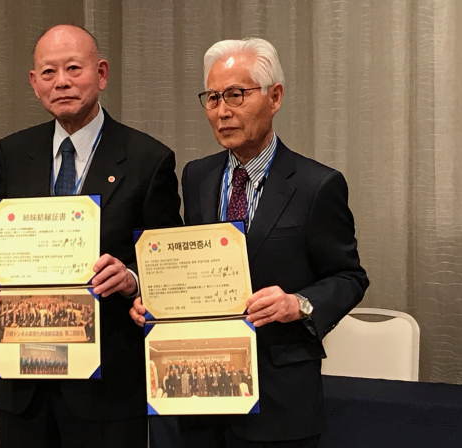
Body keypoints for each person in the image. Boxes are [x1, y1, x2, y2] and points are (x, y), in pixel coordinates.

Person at [131, 37, 369, 447]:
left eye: (236, 95)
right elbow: (193, 265)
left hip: (279, 399)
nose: (222, 111)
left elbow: (349, 277)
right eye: (212, 98)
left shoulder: (316, 185)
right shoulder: (197, 176)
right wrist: (154, 298)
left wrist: (298, 303)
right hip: (201, 393)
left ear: (274, 97)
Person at [0, 24, 182, 448]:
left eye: (74, 68)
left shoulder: (148, 159)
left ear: (101, 74)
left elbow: (168, 261)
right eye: (48, 72)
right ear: (34, 83)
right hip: (24, 380)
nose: (62, 82)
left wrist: (131, 278)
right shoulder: (13, 153)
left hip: (107, 387)